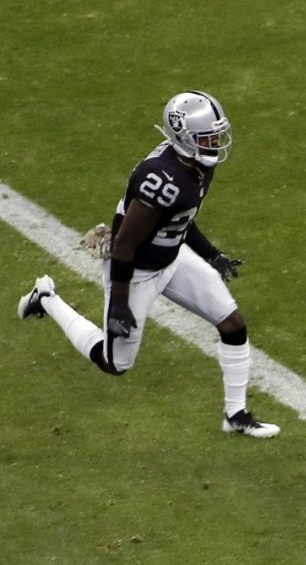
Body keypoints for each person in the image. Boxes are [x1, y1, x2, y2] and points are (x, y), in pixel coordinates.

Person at [17, 91, 280, 438]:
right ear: (185, 139)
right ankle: (46, 297)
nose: (216, 142)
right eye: (207, 137)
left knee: (232, 323)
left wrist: (211, 254)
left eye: (216, 134)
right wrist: (120, 305)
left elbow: (181, 219)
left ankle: (236, 416)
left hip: (171, 255)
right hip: (135, 267)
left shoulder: (196, 165)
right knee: (115, 364)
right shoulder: (164, 180)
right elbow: (125, 243)